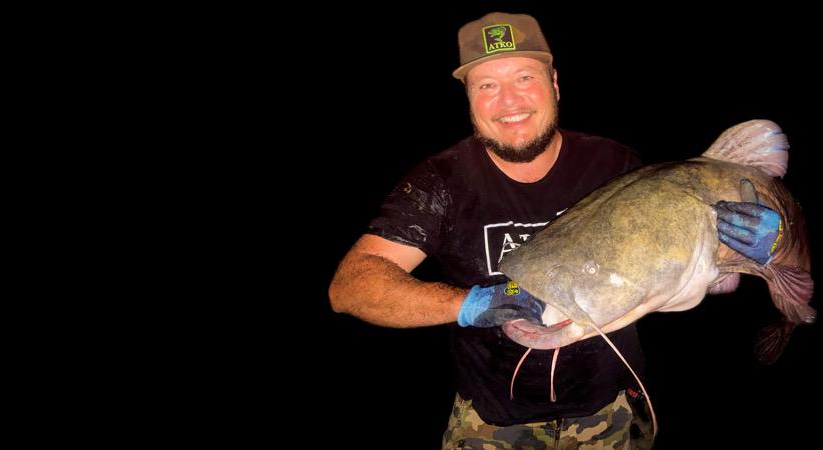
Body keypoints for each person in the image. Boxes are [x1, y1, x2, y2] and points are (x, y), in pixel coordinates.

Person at [328, 12, 783, 449]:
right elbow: (350, 287)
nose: (509, 101)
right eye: (487, 85)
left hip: (611, 409)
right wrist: (466, 303)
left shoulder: (615, 165)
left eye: (525, 77)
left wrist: (756, 248)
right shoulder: (441, 183)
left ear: (555, 84)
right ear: (468, 98)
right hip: (489, 420)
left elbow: (680, 270)